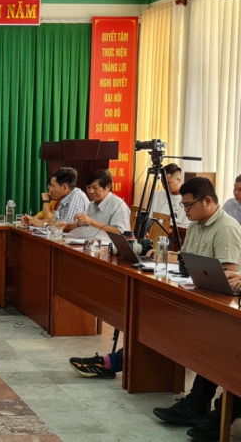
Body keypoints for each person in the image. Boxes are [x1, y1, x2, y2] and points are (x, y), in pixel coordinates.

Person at [69, 177, 241, 442]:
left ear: (207, 201)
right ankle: (193, 402)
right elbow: (189, 261)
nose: (185, 211)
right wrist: (169, 257)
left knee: (206, 343)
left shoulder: (226, 227)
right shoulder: (197, 224)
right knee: (153, 322)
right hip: (194, 293)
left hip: (215, 305)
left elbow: (228, 272)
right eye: (183, 206)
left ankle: (201, 406)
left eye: (189, 205)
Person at [58, 169, 131, 235]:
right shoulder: (92, 204)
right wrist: (66, 225)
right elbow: (84, 225)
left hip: (111, 245)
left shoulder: (118, 205)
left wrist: (91, 222)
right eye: (88, 187)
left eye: (95, 188)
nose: (91, 191)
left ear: (108, 187)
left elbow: (119, 232)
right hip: (93, 242)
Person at [21, 167, 89, 227]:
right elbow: (56, 221)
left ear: (64, 187)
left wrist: (42, 223)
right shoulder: (64, 199)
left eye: (53, 186)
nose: (50, 190)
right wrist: (33, 220)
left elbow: (66, 225)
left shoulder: (77, 197)